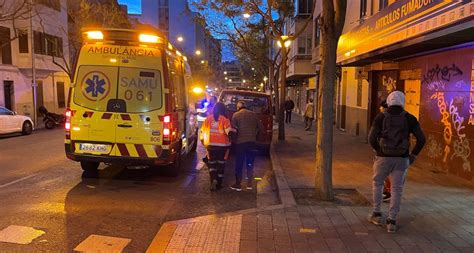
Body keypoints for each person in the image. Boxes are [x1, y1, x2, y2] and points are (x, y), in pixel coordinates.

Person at [368, 91, 425, 233]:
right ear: (402, 102)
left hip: (383, 157)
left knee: (378, 183)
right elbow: (421, 139)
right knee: (396, 189)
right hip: (402, 158)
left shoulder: (381, 117)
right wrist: (413, 156)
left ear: (389, 101)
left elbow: (371, 138)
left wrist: (377, 150)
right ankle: (392, 221)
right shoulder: (410, 118)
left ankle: (376, 214)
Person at [200, 102, 234, 191]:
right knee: (221, 164)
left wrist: (203, 141)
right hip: (222, 146)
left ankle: (213, 180)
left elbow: (202, 132)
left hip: (210, 145)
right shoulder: (225, 119)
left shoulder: (208, 119)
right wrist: (234, 132)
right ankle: (219, 184)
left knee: (212, 164)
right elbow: (228, 131)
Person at [230, 101, 264, 191]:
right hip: (251, 142)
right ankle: (249, 183)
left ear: (238, 107)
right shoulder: (254, 115)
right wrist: (256, 138)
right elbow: (261, 129)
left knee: (239, 163)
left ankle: (238, 184)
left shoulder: (236, 115)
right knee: (250, 162)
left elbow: (233, 129)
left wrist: (233, 141)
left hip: (240, 143)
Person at [379, 99, 392, 203]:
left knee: (385, 173)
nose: (380, 108)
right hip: (399, 153)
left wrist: (378, 150)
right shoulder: (404, 117)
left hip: (385, 151)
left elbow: (372, 136)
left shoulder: (382, 118)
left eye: (381, 107)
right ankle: (388, 191)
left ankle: (388, 192)